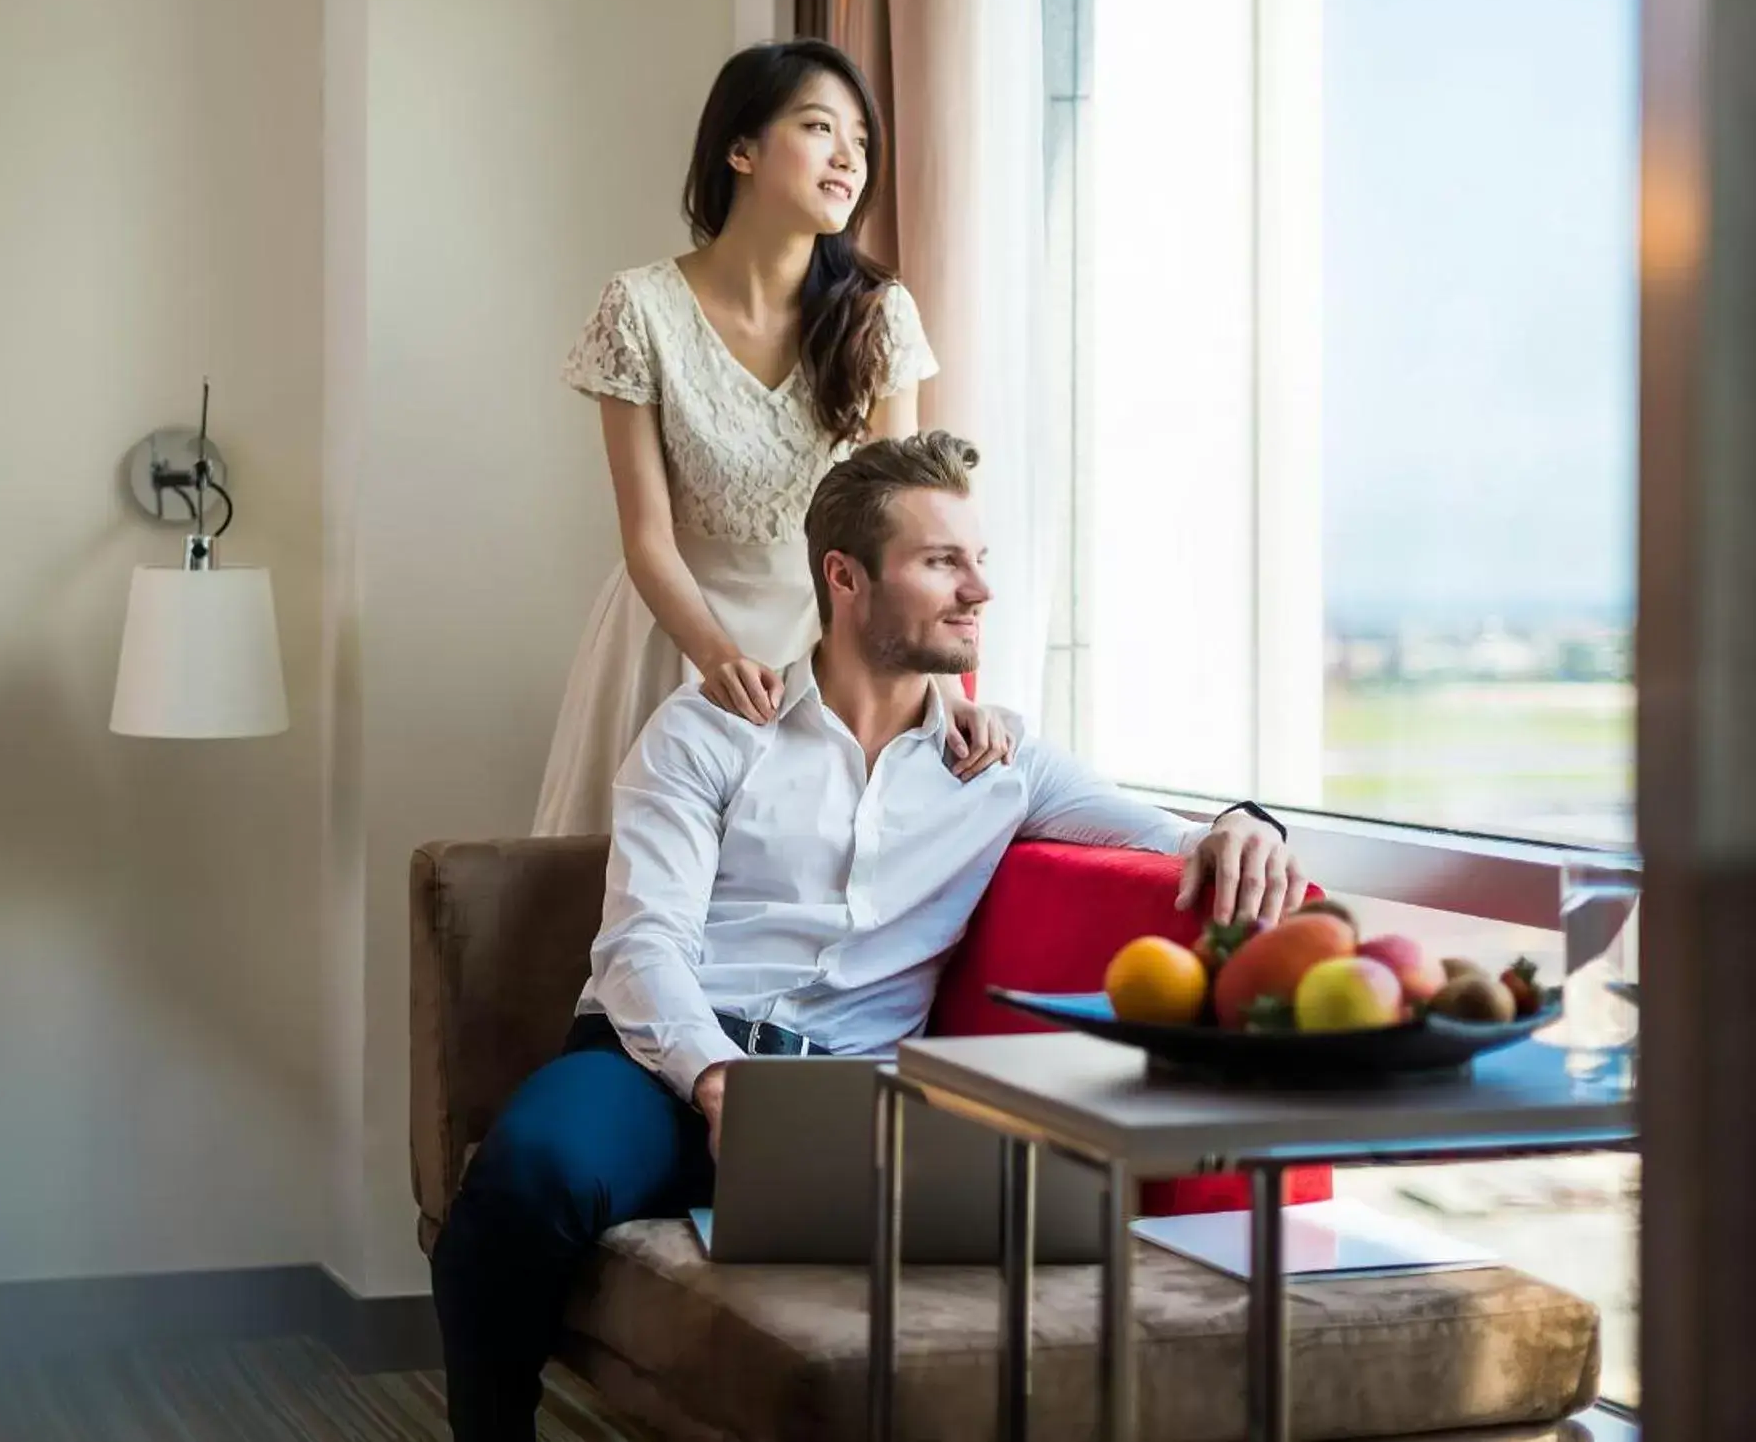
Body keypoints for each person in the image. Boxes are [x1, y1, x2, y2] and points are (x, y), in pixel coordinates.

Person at [436, 433, 1308, 1441]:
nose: (977, 587)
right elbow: (640, 947)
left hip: (858, 1088)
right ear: (843, 578)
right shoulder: (709, 728)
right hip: (655, 1066)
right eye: (941, 561)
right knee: (522, 1179)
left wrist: (1248, 824)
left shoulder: (999, 760)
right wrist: (721, 1081)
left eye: (978, 560)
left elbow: (1168, 836)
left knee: (1053, 1214)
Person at [533, 39, 1015, 838]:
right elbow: (646, 538)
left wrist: (937, 694)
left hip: (826, 644)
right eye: (819, 128)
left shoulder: (877, 313)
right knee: (642, 893)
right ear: (741, 149)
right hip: (671, 639)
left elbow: (903, 541)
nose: (848, 157)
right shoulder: (638, 309)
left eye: (860, 140)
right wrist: (715, 657)